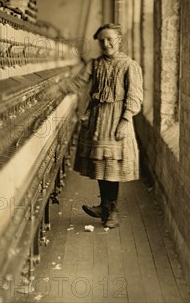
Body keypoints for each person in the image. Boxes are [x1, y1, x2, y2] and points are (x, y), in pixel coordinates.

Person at [64, 23, 143, 229]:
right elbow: (78, 82)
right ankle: (104, 206)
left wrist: (125, 121)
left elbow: (134, 96)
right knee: (101, 165)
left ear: (120, 40)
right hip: (99, 118)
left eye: (110, 39)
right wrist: (55, 90)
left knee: (112, 166)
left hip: (117, 118)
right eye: (101, 41)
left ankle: (112, 212)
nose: (106, 44)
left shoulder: (129, 65)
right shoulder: (95, 64)